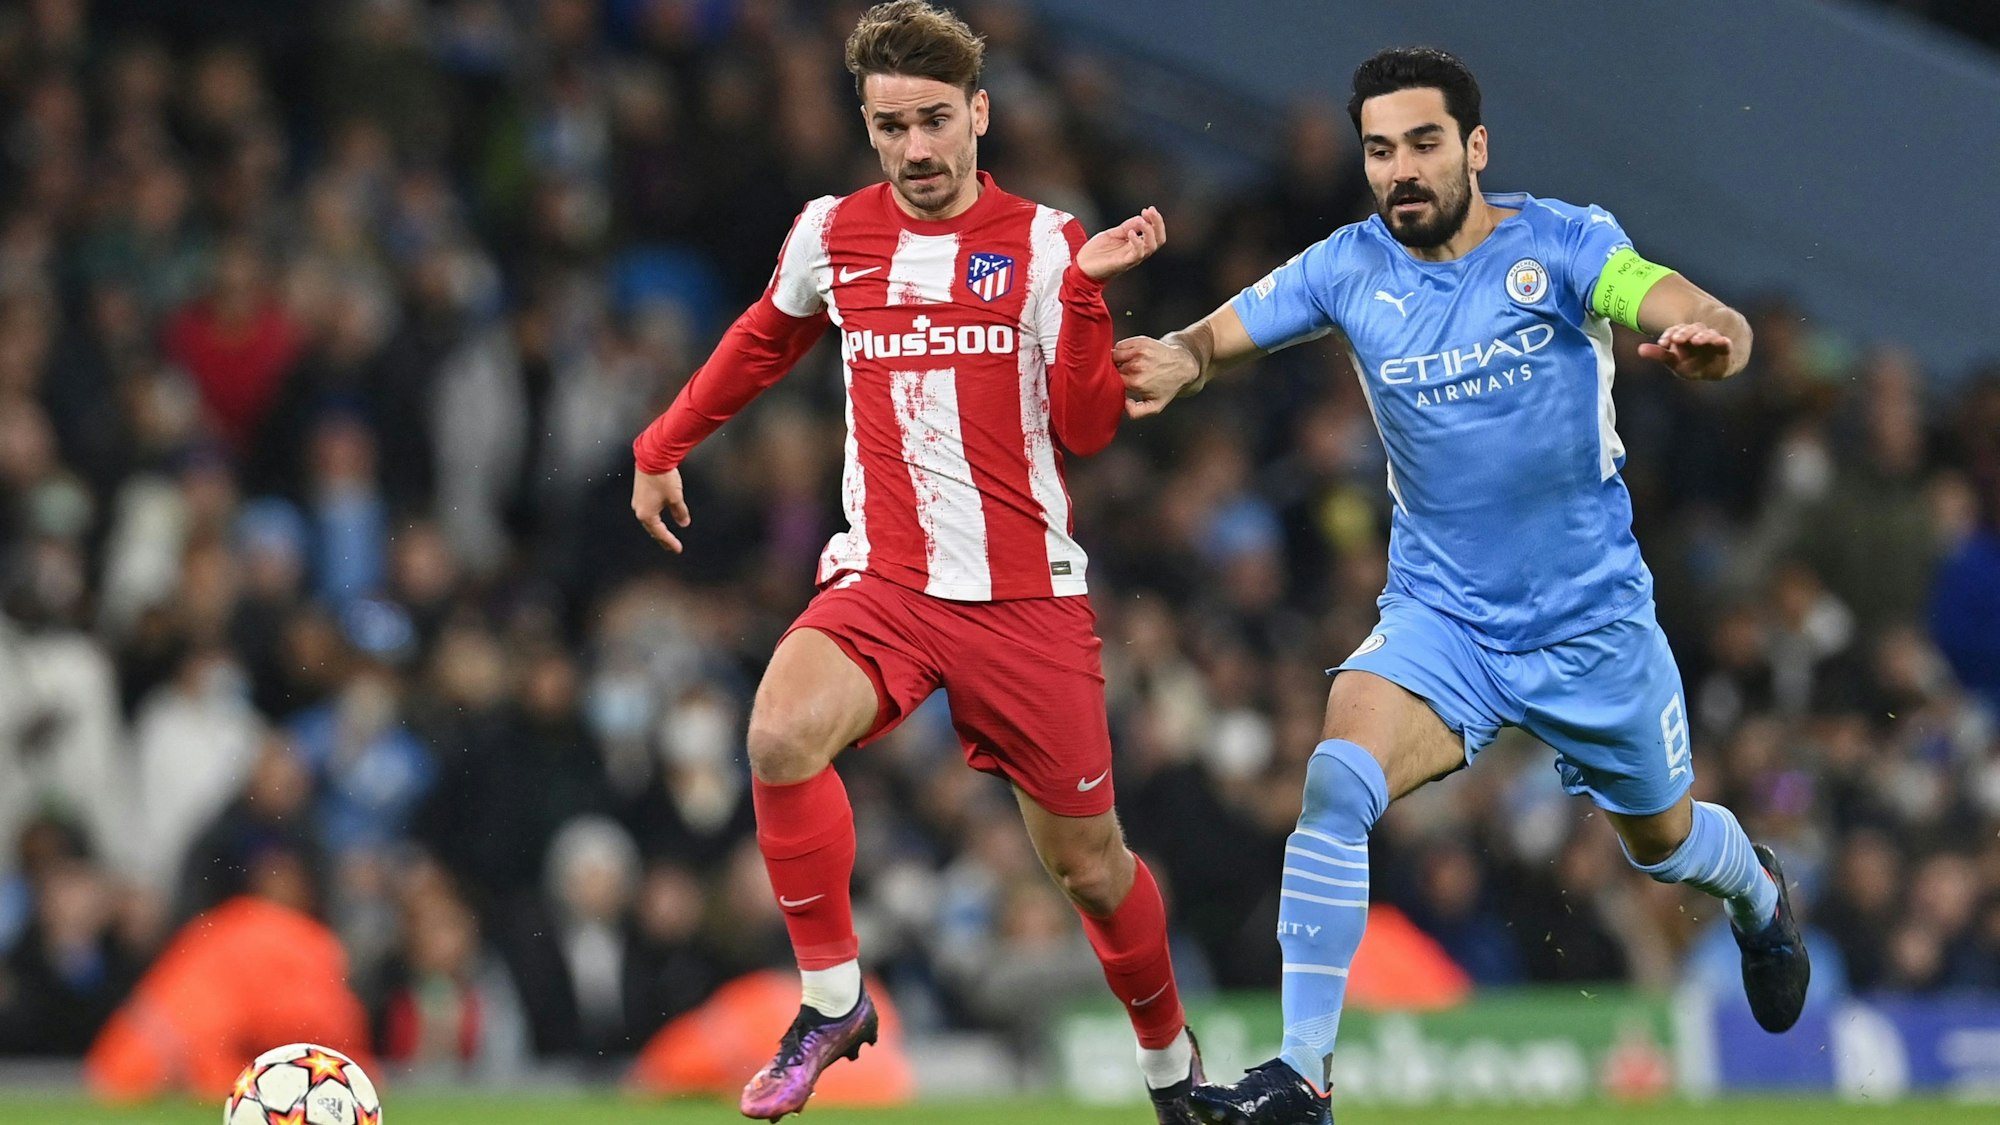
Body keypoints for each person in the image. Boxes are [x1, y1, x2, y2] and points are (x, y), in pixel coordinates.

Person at [1115, 47, 1810, 1125]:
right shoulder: (1346, 266)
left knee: (1662, 845)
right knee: (1337, 780)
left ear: (1474, 148)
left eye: (1423, 145)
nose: (1399, 170)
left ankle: (1757, 898)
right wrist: (1175, 357)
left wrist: (1711, 337)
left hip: (1591, 627)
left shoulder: (1565, 245)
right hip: (1446, 622)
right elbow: (1217, 337)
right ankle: (1302, 1075)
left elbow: (1678, 302)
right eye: (1378, 150)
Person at [628, 3, 1200, 1121]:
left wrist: (1085, 293)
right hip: (885, 583)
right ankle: (833, 1000)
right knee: (778, 733)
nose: (916, 150)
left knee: (1088, 867)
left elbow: (1085, 427)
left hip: (1024, 600)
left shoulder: (1041, 244)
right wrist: (661, 445)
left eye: (935, 120)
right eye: (890, 126)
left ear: (979, 114)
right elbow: (762, 337)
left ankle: (1172, 1072)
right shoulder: (832, 233)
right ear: (867, 125)